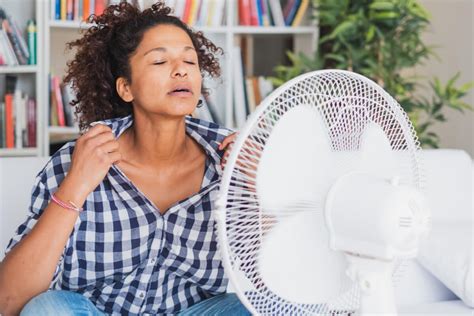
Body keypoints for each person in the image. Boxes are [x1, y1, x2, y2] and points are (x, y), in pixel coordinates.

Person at [0, 2, 245, 315]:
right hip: (95, 311)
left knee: (261, 308)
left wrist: (262, 188)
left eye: (190, 60)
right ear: (126, 88)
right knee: (50, 308)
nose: (181, 69)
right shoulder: (81, 159)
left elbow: (281, 271)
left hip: (194, 311)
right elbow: (8, 301)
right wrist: (75, 187)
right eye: (159, 61)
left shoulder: (230, 159)